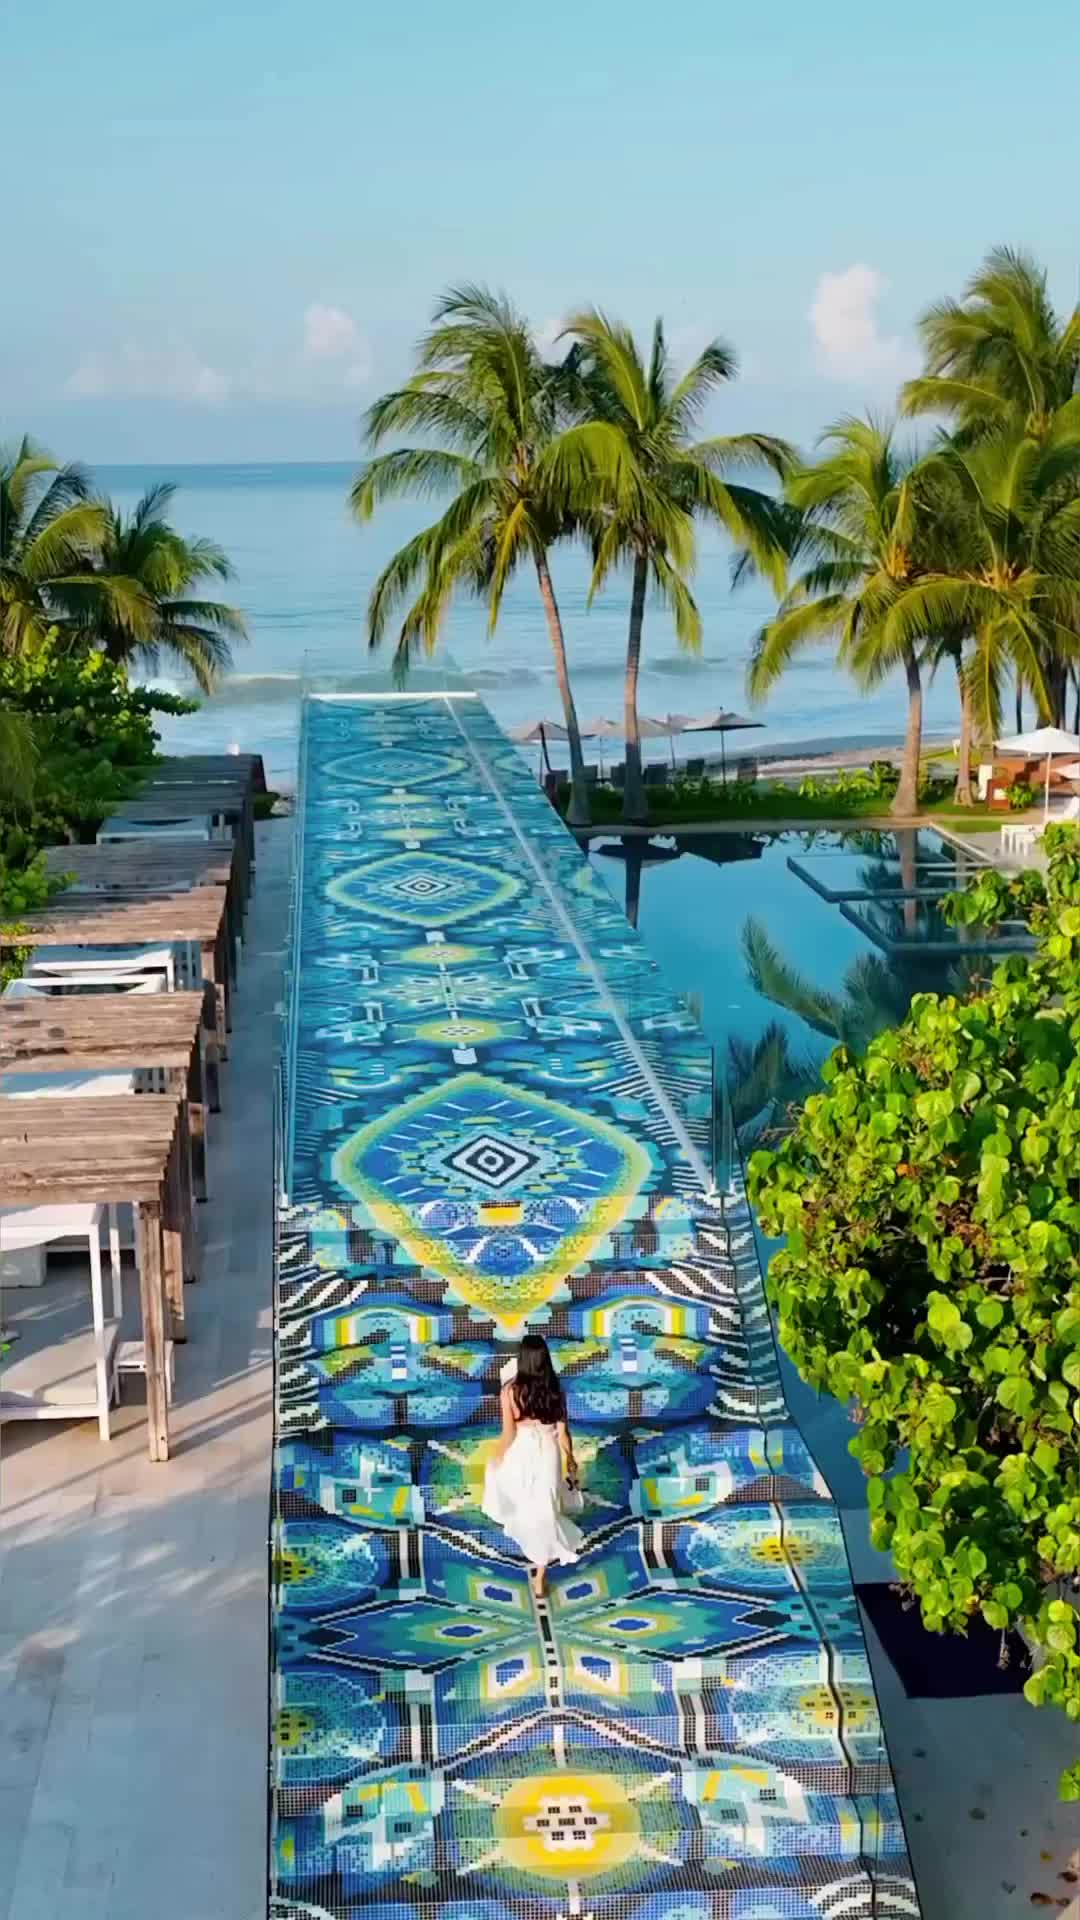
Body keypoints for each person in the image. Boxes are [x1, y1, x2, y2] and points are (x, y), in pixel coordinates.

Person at [482, 1333, 583, 1597]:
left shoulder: (510, 1391)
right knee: (546, 1511)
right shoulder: (555, 1391)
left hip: (521, 1454)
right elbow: (562, 1433)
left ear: (522, 1360)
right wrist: (570, 1459)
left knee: (526, 1507)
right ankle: (541, 1575)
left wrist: (496, 1457)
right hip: (548, 1455)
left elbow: (509, 1434)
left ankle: (536, 1558)